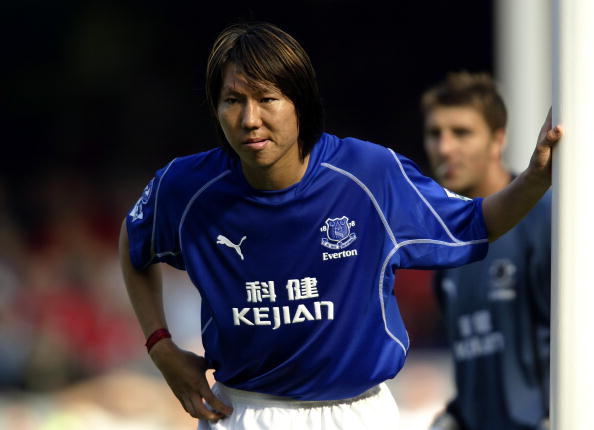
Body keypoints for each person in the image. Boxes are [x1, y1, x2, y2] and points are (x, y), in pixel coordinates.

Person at [118, 22, 561, 430]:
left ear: (300, 103)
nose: (250, 119)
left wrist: (535, 178)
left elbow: (474, 222)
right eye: (233, 100)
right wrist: (160, 346)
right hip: (242, 412)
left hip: (358, 413)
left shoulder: (370, 174)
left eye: (267, 98)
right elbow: (133, 242)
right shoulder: (187, 187)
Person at [422, 72, 551, 430]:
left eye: (462, 133)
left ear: (498, 140)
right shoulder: (446, 240)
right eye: (435, 133)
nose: (445, 147)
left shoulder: (544, 219)